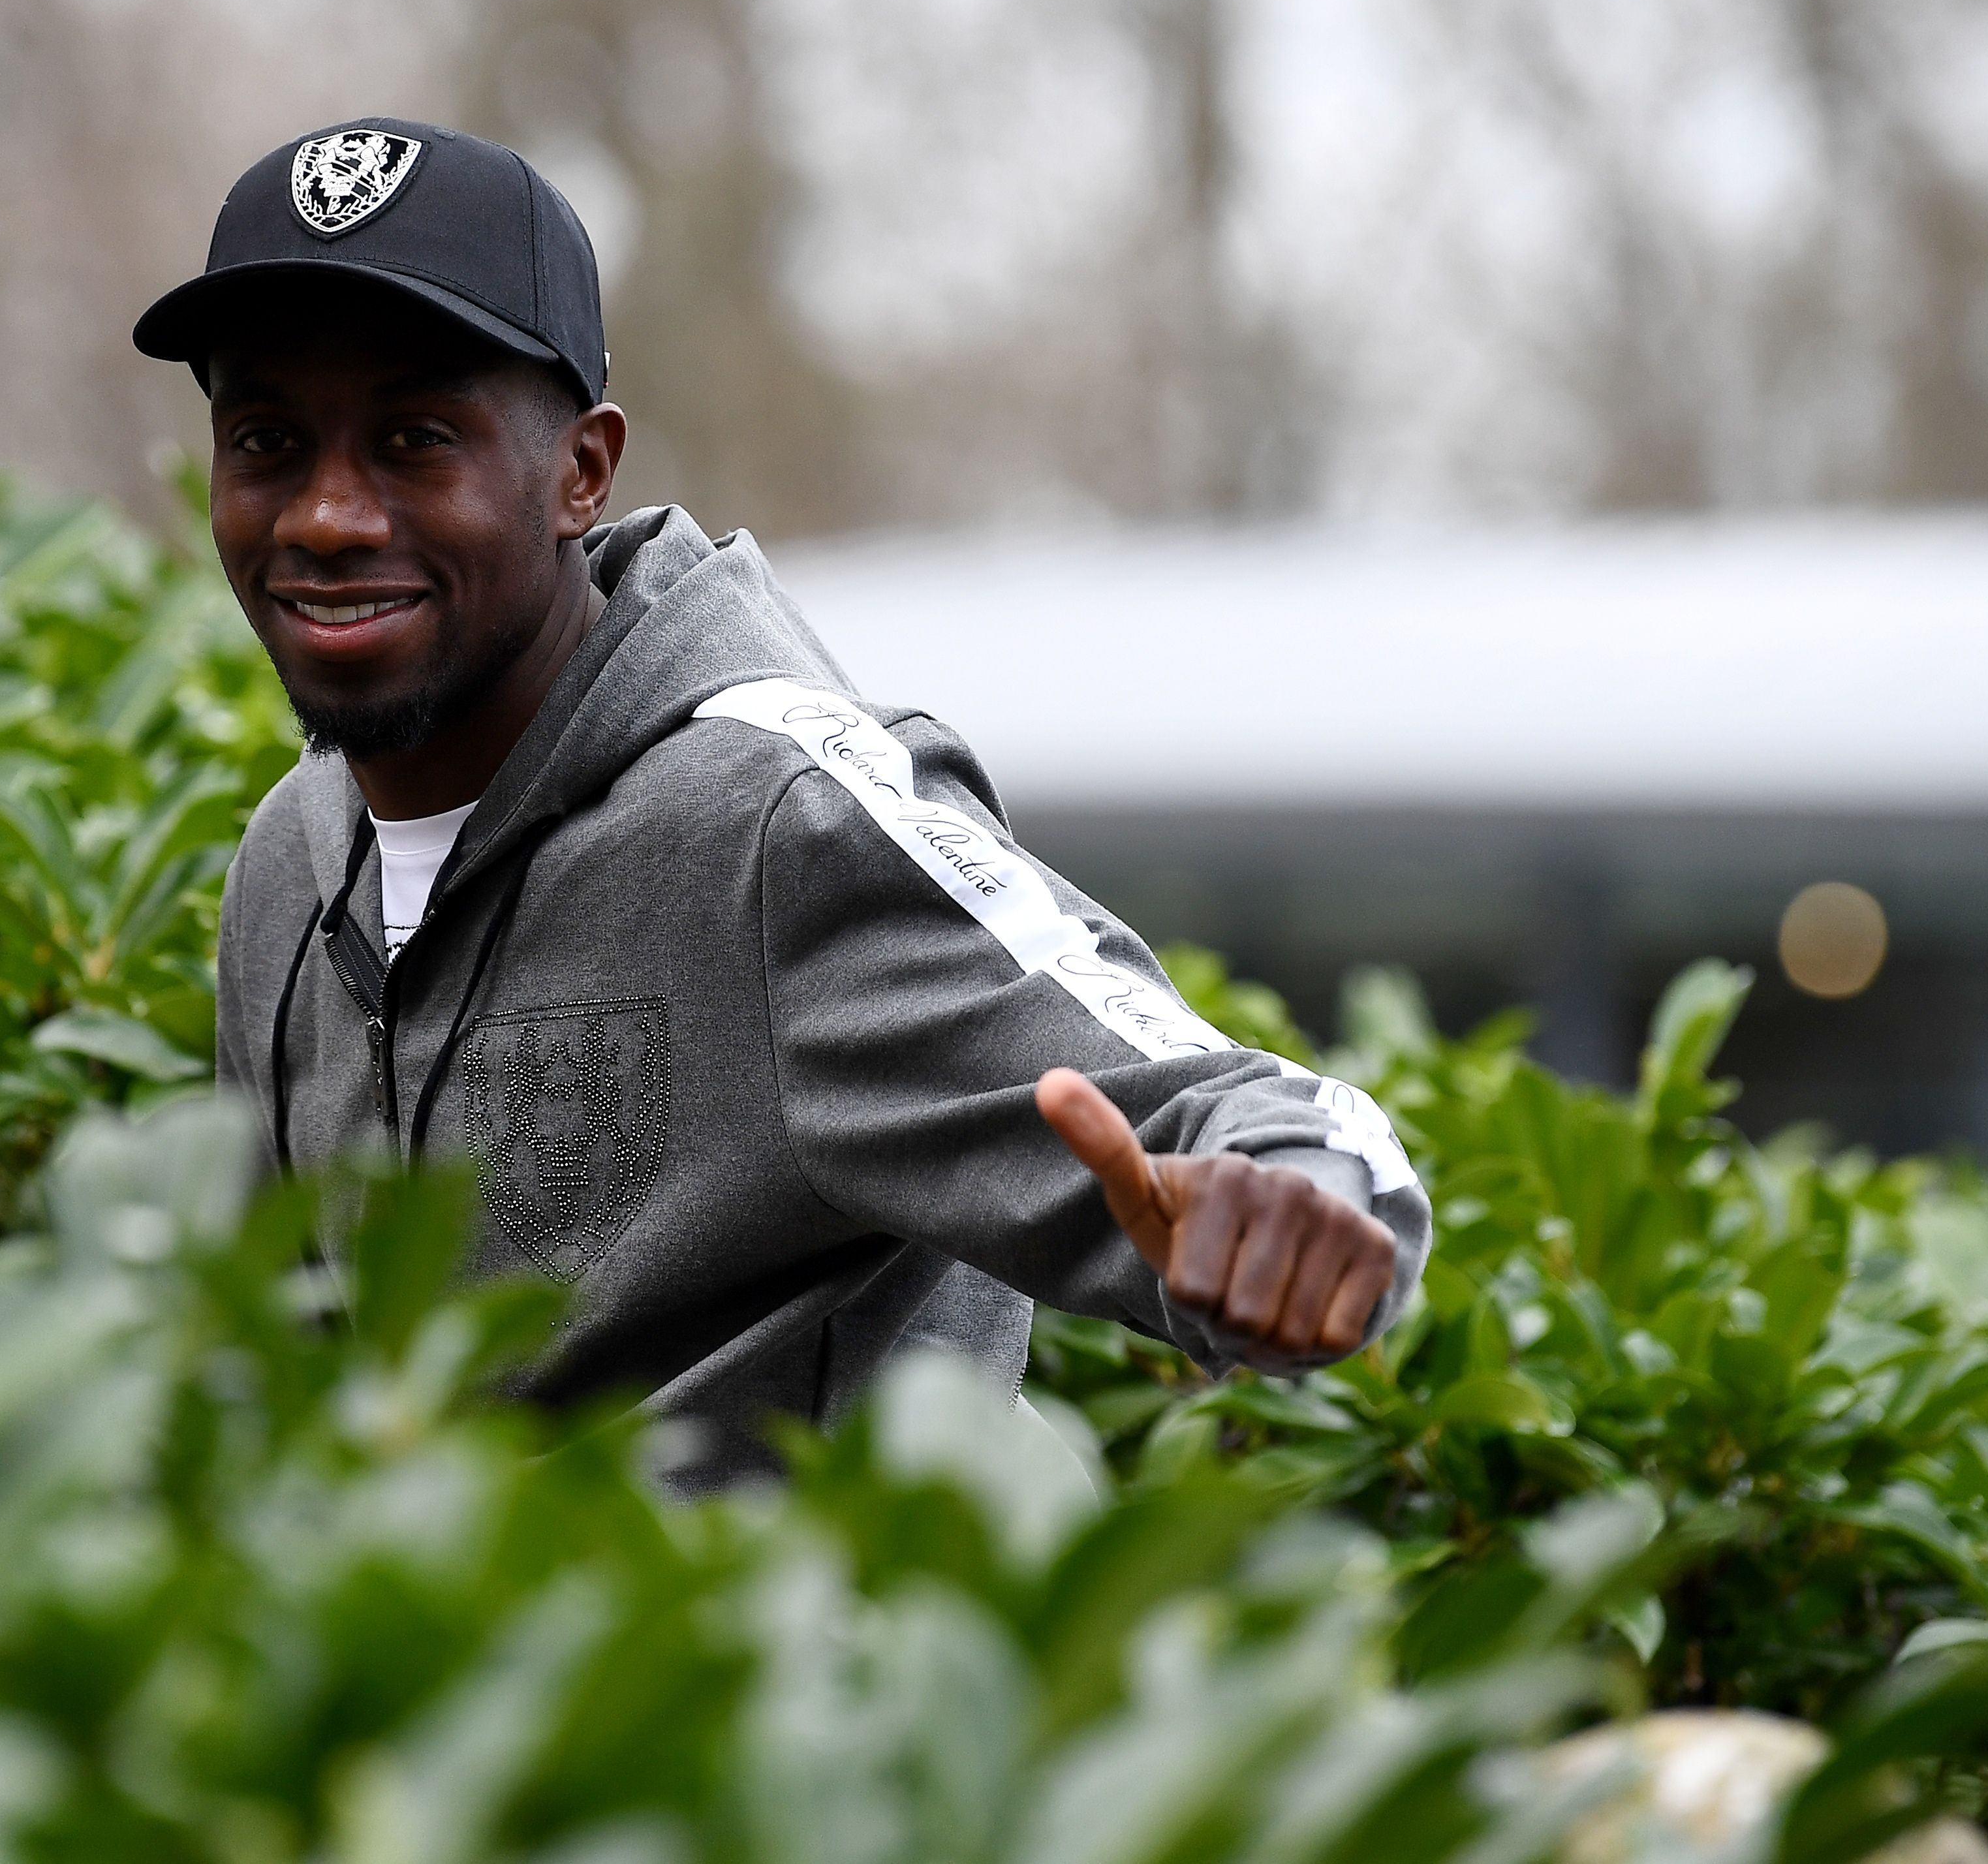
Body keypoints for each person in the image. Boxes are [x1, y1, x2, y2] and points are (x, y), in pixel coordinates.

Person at [137, 117, 1427, 1489]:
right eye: (268, 441)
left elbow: (1238, 1102)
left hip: (801, 1680)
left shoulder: (775, 823)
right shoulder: (289, 862)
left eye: (414, 439)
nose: (327, 516)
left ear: (581, 471)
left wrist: (1298, 1200)